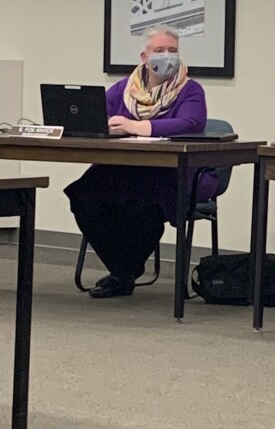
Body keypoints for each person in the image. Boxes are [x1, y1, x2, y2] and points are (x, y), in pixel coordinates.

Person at [64, 25, 216, 299]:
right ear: (144, 57)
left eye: (173, 51)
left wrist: (138, 126)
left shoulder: (190, 90)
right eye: (159, 50)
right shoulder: (125, 88)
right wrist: (108, 128)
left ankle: (122, 274)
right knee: (83, 195)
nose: (167, 56)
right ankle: (124, 270)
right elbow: (97, 116)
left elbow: (191, 123)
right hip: (123, 167)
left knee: (143, 206)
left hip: (169, 172)